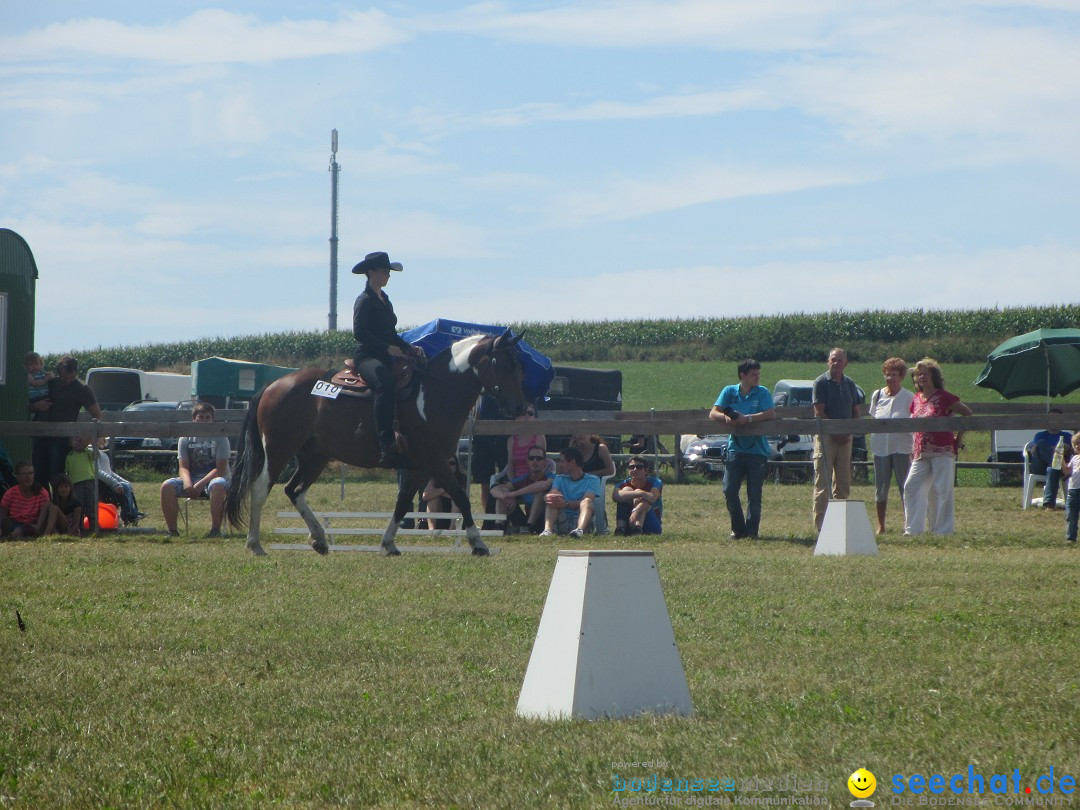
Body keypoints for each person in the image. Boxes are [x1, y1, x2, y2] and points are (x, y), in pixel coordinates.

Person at [351, 250, 423, 468]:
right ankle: (385, 443)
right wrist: (386, 348)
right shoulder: (364, 301)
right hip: (368, 357)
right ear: (371, 272)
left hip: (387, 354)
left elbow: (391, 333)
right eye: (385, 271)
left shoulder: (385, 300)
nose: (388, 275)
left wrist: (408, 348)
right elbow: (359, 333)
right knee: (385, 384)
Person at [903, 358, 973, 536]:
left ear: (934, 376)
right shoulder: (916, 399)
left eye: (926, 374)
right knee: (911, 487)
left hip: (942, 450)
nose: (922, 377)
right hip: (920, 452)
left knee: (942, 490)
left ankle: (942, 531)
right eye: (919, 374)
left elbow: (967, 414)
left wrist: (959, 438)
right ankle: (913, 529)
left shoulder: (944, 397)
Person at [709, 358, 776, 539]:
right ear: (742, 375)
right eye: (754, 374)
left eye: (758, 374)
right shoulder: (729, 391)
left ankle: (752, 532)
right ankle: (738, 529)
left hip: (757, 451)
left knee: (754, 494)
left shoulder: (762, 392)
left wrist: (749, 419)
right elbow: (713, 412)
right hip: (735, 449)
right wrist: (726, 418)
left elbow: (770, 413)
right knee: (729, 489)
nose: (757, 378)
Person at [29, 355, 103, 492]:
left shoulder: (82, 389)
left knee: (56, 477)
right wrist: (36, 406)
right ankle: (43, 509)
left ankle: (59, 510)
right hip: (40, 435)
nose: (68, 381)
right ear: (58, 373)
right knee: (38, 477)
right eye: (64, 378)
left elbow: (97, 415)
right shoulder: (49, 382)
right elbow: (29, 404)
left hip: (61, 438)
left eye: (72, 378)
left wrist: (88, 438)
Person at [160, 402, 231, 538]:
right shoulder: (185, 438)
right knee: (167, 486)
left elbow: (220, 469)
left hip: (215, 478)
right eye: (201, 417)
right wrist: (187, 482)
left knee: (217, 484)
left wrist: (201, 484)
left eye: (208, 417)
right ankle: (172, 530)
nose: (204, 420)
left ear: (212, 419)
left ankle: (215, 529)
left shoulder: (221, 437)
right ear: (194, 419)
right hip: (192, 477)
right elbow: (183, 466)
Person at [812, 347, 863, 531]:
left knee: (843, 481)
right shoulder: (821, 383)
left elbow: (856, 411)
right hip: (826, 436)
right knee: (823, 482)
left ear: (846, 363)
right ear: (828, 361)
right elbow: (819, 412)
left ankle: (840, 526)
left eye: (840, 360)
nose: (836, 363)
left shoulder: (850, 384)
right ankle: (822, 528)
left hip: (846, 438)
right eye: (833, 360)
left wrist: (849, 433)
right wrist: (836, 433)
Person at [867, 357, 915, 534]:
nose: (890, 378)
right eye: (887, 375)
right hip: (880, 448)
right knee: (881, 488)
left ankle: (908, 524)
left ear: (901, 376)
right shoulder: (877, 395)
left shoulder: (909, 397)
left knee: (905, 486)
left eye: (894, 375)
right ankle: (881, 525)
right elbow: (873, 418)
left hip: (902, 447)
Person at [540, 446, 603, 538]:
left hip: (582, 518)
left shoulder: (593, 480)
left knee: (586, 501)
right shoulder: (559, 479)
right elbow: (554, 492)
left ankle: (579, 530)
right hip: (563, 518)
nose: (559, 464)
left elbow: (587, 501)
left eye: (562, 461)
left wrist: (565, 504)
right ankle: (547, 531)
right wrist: (549, 497)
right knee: (551, 500)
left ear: (572, 462)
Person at [489, 445, 554, 534]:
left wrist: (512, 494)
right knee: (503, 495)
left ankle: (529, 527)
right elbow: (494, 489)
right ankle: (498, 527)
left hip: (545, 519)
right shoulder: (523, 479)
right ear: (527, 461)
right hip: (524, 519)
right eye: (531, 458)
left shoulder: (550, 477)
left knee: (540, 494)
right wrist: (504, 495)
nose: (535, 461)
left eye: (539, 458)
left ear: (544, 462)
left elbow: (542, 486)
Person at [569, 434, 616, 532]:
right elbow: (567, 469)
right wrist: (571, 449)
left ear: (590, 433)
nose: (581, 434)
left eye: (584, 431)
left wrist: (588, 475)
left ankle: (598, 525)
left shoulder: (600, 448)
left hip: (595, 483)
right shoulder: (575, 450)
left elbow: (610, 470)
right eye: (578, 432)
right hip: (578, 482)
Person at [1027, 409, 1073, 510]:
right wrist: (1055, 449)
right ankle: (1057, 464)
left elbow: (1067, 448)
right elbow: (1035, 449)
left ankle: (1049, 505)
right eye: (1051, 418)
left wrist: (1049, 449)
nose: (1053, 421)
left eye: (1056, 419)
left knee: (1052, 469)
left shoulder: (1067, 436)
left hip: (1056, 469)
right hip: (1040, 466)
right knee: (1042, 443)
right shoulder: (1040, 435)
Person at [95, 438, 146, 526]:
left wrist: (123, 481)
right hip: (103, 485)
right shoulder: (93, 452)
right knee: (125, 487)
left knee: (127, 485)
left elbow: (109, 472)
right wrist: (115, 483)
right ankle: (127, 515)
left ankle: (132, 513)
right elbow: (98, 472)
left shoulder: (101, 453)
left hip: (108, 482)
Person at [1, 461, 57, 539]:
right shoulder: (10, 493)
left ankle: (10, 536)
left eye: (31, 473)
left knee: (22, 529)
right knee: (17, 528)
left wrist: (38, 526)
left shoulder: (41, 492)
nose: (29, 477)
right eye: (25, 474)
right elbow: (3, 514)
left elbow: (44, 512)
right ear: (17, 476)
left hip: (33, 524)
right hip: (15, 522)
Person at [611, 455, 664, 535]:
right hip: (628, 522)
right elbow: (616, 497)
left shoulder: (655, 482)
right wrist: (638, 493)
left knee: (645, 500)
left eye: (639, 467)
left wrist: (636, 511)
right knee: (626, 490)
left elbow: (652, 498)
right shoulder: (622, 484)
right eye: (631, 467)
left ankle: (637, 528)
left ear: (646, 471)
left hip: (651, 525)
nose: (635, 470)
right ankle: (620, 529)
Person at [420, 457, 468, 530]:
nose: (449, 466)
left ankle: (451, 530)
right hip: (439, 512)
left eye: (452, 463)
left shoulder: (461, 479)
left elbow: (460, 497)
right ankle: (431, 530)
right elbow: (425, 496)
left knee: (456, 501)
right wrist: (445, 489)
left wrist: (436, 492)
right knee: (433, 499)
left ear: (456, 466)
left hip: (456, 513)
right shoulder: (435, 478)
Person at [504, 405, 546, 482]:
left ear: (534, 418)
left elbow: (541, 464)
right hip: (517, 482)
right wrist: (514, 483)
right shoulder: (511, 440)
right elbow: (510, 467)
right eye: (523, 413)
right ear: (516, 417)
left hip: (535, 481)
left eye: (530, 413)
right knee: (496, 490)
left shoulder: (539, 437)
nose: (527, 416)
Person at [65, 436, 98, 532]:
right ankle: (80, 528)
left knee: (92, 505)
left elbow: (96, 456)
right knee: (80, 506)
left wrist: (93, 444)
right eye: (75, 440)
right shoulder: (69, 456)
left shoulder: (87, 452)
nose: (78, 442)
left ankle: (94, 528)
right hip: (76, 484)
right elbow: (66, 472)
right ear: (70, 443)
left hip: (89, 482)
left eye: (81, 439)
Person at [1064, 433, 1080, 544]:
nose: (1078, 446)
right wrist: (1060, 459)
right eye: (1076, 444)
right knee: (1071, 516)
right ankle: (1071, 537)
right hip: (1073, 490)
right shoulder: (1074, 458)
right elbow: (1067, 471)